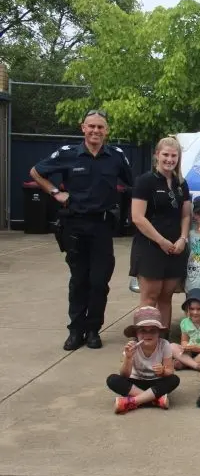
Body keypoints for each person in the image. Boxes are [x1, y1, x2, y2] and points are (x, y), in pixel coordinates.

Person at [29, 109, 133, 350]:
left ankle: (93, 330)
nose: (96, 131)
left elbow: (133, 185)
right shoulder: (68, 154)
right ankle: (75, 331)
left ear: (106, 131)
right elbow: (36, 172)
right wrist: (55, 192)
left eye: (100, 127)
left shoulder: (116, 156)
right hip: (74, 225)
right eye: (91, 126)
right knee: (79, 281)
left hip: (103, 226)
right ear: (83, 128)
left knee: (99, 282)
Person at [130, 137, 191, 330]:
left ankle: (162, 342)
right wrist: (161, 241)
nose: (169, 159)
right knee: (150, 297)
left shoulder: (181, 183)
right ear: (157, 155)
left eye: (174, 155)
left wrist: (183, 238)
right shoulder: (145, 181)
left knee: (166, 297)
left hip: (175, 249)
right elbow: (138, 217)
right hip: (150, 248)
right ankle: (144, 339)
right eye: (165, 154)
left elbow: (186, 215)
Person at [106, 307, 180, 414]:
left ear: (159, 332)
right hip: (136, 384)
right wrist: (128, 358)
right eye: (143, 331)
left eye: (152, 331)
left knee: (174, 379)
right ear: (136, 333)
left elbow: (170, 371)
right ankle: (154, 400)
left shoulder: (164, 345)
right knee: (112, 379)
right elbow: (124, 375)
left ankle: (134, 401)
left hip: (155, 382)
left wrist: (163, 371)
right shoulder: (132, 347)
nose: (147, 334)